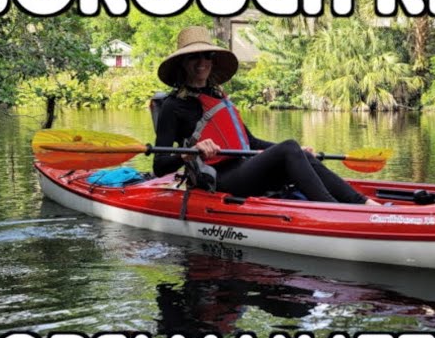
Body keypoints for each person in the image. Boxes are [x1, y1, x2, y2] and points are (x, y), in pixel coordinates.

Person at [151, 26, 380, 205]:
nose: (202, 62)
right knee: (290, 147)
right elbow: (159, 166)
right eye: (194, 57)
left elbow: (249, 142)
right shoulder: (173, 106)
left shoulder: (218, 97)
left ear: (212, 59)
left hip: (244, 170)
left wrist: (298, 152)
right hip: (218, 179)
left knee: (302, 154)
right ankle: (334, 212)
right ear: (183, 63)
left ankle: (365, 205)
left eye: (207, 55)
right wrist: (189, 154)